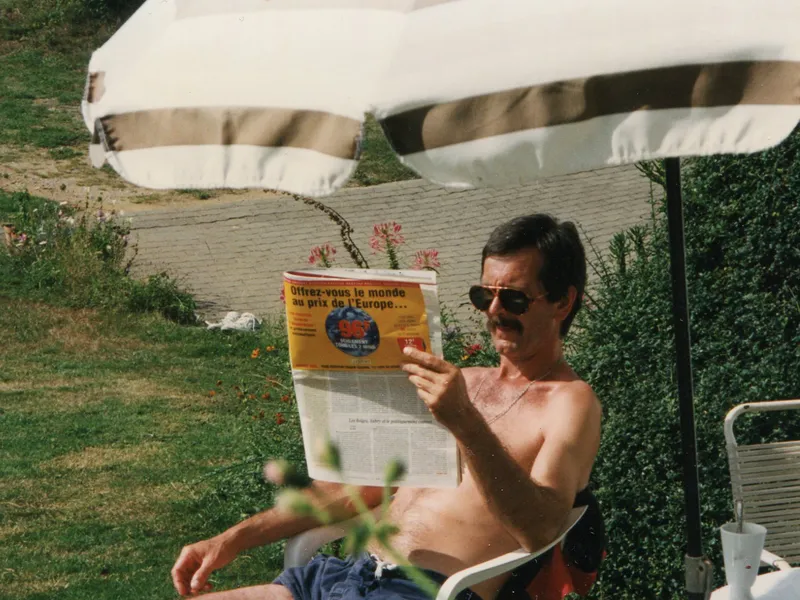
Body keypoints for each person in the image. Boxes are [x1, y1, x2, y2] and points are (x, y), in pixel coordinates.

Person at [171, 214, 603, 600]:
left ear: (563, 302)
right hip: (339, 577)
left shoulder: (570, 403)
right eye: (482, 295)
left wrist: (466, 424)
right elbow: (361, 489)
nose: (493, 311)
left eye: (513, 299)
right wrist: (231, 540)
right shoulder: (463, 381)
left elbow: (541, 528)